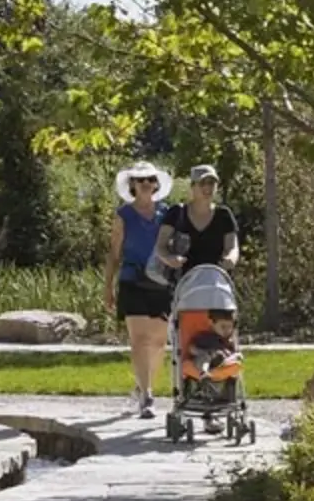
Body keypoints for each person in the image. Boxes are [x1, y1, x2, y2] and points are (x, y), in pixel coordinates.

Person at [103, 160, 174, 419]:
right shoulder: (124, 216)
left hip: (160, 282)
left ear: (156, 184)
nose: (145, 184)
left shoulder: (166, 214)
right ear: (132, 184)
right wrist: (108, 287)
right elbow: (114, 253)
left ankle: (143, 385)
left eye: (149, 180)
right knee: (139, 339)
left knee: (158, 341)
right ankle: (147, 396)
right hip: (132, 279)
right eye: (140, 180)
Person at [156, 164, 240, 278]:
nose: (207, 187)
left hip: (216, 282)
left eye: (211, 183)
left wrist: (230, 259)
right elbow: (160, 246)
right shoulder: (176, 212)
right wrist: (169, 259)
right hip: (183, 283)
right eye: (202, 183)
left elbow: (232, 247)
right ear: (192, 186)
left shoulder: (224, 215)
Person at [182, 309, 242, 407]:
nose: (226, 330)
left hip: (219, 367)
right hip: (201, 364)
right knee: (205, 356)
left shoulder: (229, 342)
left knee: (235, 360)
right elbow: (191, 348)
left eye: (229, 327)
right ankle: (204, 373)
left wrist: (231, 355)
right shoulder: (206, 337)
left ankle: (211, 380)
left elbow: (234, 354)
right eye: (222, 326)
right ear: (212, 324)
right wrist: (206, 352)